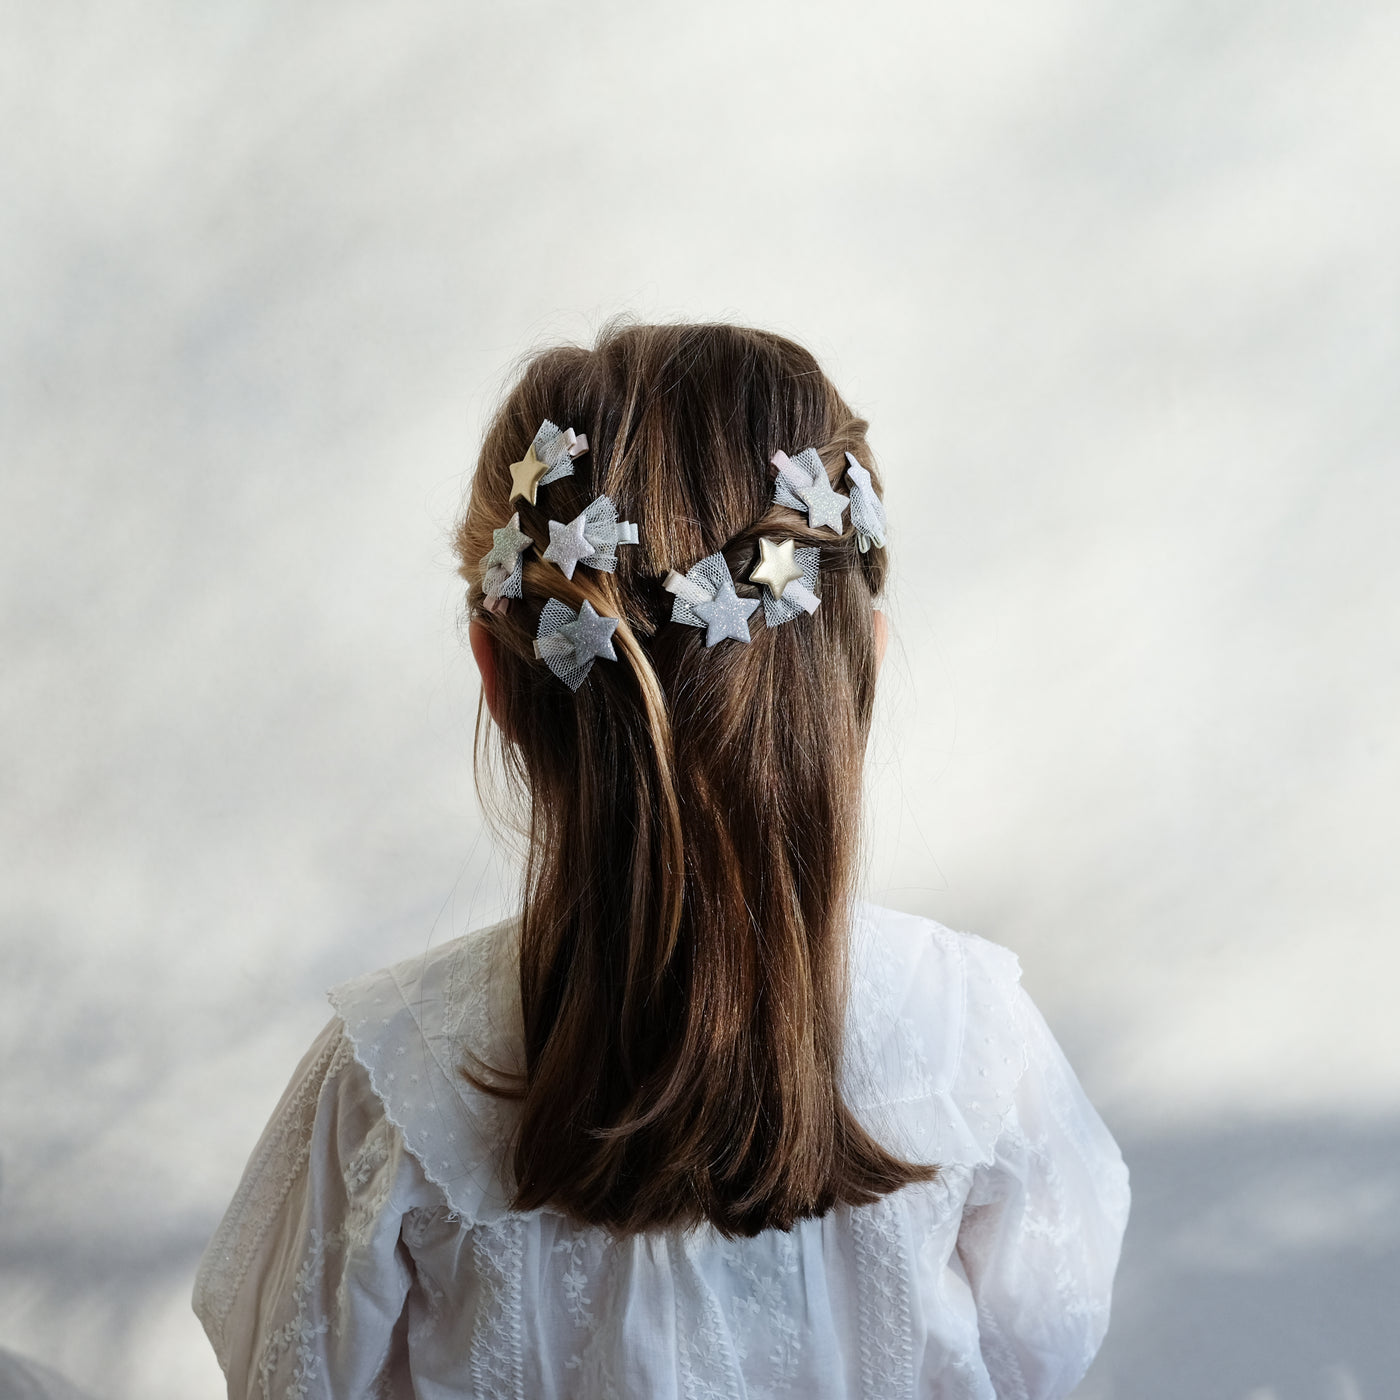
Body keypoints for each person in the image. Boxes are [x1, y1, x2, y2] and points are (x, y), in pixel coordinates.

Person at [192, 321, 1130, 1399]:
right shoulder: (972, 1037)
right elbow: (1041, 1361)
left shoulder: (389, 1082)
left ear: (493, 681)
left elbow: (286, 1379)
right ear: (861, 670)